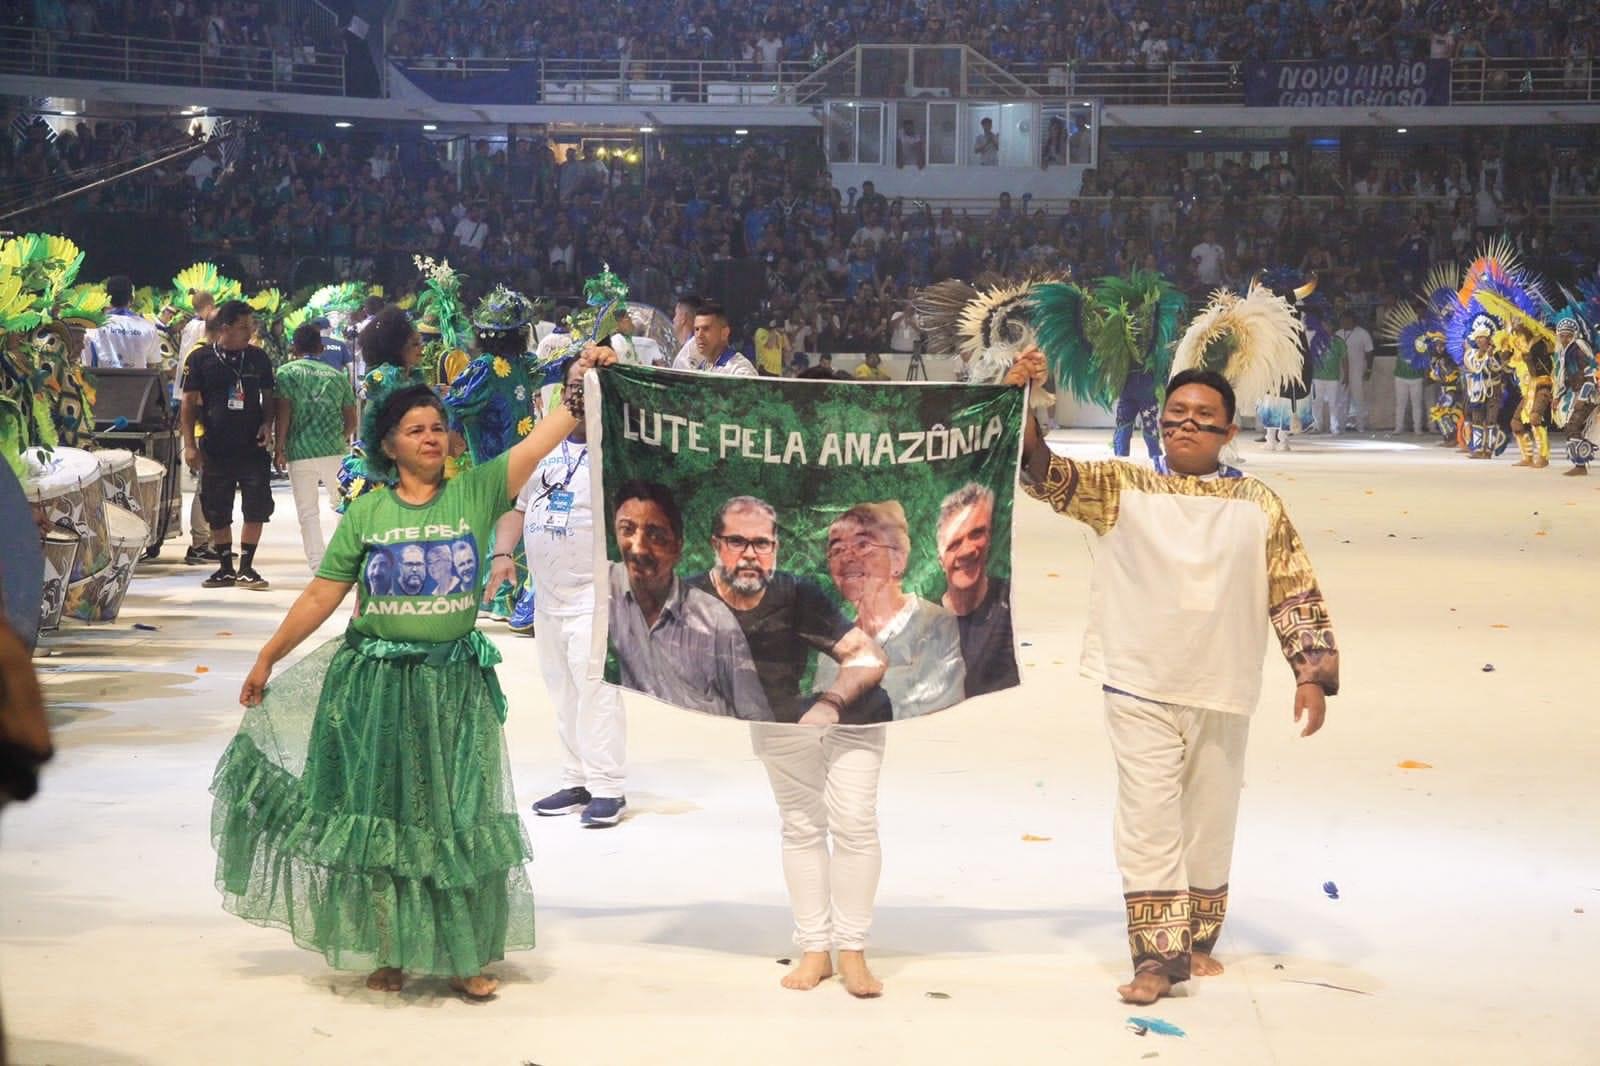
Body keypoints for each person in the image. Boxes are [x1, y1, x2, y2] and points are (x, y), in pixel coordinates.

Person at [211, 337, 616, 1001]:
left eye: (437, 427)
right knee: (385, 819)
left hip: (452, 686)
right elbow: (323, 594)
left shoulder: (481, 489)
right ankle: (390, 948)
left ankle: (462, 954)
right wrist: (267, 655)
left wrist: (581, 377)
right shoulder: (367, 513)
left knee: (454, 816)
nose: (430, 436)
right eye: (414, 429)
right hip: (375, 688)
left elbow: (547, 435)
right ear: (388, 445)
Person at [1013, 353, 1337, 1006]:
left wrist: (1311, 673)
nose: (1186, 426)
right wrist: (1022, 399)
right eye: (1176, 415)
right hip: (1137, 680)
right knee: (1149, 818)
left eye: (1203, 418)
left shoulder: (1257, 503)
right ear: (1158, 423)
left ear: (1228, 432)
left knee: (1209, 819)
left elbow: (1293, 587)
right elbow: (1043, 475)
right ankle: (1157, 959)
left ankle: (1197, 939)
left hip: (1223, 683)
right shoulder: (1120, 488)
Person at [487, 358, 629, 828]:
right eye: (570, 387)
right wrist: (502, 555)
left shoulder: (620, 453)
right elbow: (517, 507)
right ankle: (576, 778)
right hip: (547, 597)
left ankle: (608, 786)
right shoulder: (542, 451)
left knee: (596, 692)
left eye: (586, 387)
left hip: (595, 597)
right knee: (561, 691)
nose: (576, 397)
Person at [688, 496, 888, 725]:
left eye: (762, 543)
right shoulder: (687, 599)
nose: (750, 554)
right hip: (706, 726)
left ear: (775, 548)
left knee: (874, 701)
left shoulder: (797, 593)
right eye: (737, 542)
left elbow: (869, 657)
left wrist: (830, 704)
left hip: (781, 726)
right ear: (716, 545)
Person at [607, 481, 773, 720]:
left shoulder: (714, 618)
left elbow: (755, 714)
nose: (639, 548)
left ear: (678, 547)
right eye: (627, 529)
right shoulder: (602, 590)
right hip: (639, 744)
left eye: (656, 536)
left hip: (708, 747)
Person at [813, 502, 965, 718]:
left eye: (863, 545)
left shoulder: (937, 625)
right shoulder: (833, 646)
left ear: (898, 560)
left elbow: (942, 715)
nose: (846, 557)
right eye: (837, 550)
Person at [181, 299, 275, 592]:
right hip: (216, 446)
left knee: (256, 506)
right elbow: (188, 404)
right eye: (243, 327)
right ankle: (224, 568)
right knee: (216, 508)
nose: (250, 332)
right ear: (224, 328)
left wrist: (267, 424)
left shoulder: (258, 358)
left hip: (252, 446)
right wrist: (190, 445)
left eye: (251, 326)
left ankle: (247, 567)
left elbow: (269, 398)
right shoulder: (200, 360)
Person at [274, 323, 357, 571]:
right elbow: (352, 420)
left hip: (299, 451)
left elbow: (284, 413)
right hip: (334, 449)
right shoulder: (337, 376)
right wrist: (339, 437)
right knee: (342, 504)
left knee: (307, 512)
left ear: (294, 347)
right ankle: (344, 560)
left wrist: (279, 447)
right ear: (321, 348)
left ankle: (318, 566)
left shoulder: (286, 373)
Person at [936, 483, 1018, 698]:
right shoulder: (924, 626)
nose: (967, 551)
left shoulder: (1014, 605)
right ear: (939, 561)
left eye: (977, 534)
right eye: (954, 544)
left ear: (990, 538)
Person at [1554, 316, 1598, 476]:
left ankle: (1580, 466)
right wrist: (1558, 397)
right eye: (1562, 335)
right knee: (1572, 427)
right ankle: (1580, 463)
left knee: (1573, 426)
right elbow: (1566, 380)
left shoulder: (1578, 351)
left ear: (1574, 335)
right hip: (1576, 393)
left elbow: (1591, 377)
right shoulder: (1565, 353)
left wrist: (1582, 398)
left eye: (1568, 335)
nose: (1565, 339)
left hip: (1587, 395)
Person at [86, 275, 160, 369]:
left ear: (107, 297)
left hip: (100, 383)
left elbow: (87, 365)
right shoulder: (149, 328)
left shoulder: (93, 328)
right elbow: (152, 366)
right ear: (131, 299)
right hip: (138, 383)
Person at [1507, 324, 1554, 469]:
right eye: (1517, 333)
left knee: (1535, 418)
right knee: (1516, 423)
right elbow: (1510, 366)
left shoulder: (1541, 345)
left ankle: (1543, 457)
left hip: (1543, 386)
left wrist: (1527, 357)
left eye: (1520, 331)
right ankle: (1527, 457)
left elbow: (1536, 373)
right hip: (1529, 389)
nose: (1518, 335)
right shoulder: (1522, 346)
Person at [675, 300, 757, 375]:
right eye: (696, 329)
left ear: (724, 333)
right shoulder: (702, 366)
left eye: (706, 329)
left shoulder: (740, 371)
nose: (699, 335)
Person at [1463, 320, 1505, 459]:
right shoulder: (1471, 354)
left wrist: (1491, 356)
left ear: (1488, 339)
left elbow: (1499, 369)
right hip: (1477, 392)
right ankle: (1478, 449)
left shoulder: (1496, 352)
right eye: (1478, 338)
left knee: (1491, 420)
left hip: (1494, 390)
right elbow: (1474, 368)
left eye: (1483, 337)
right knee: (1477, 419)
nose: (1481, 340)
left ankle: (1488, 450)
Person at [1334, 310, 1373, 433]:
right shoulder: (1338, 334)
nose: (1344, 322)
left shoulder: (1363, 333)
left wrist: (1369, 369)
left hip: (1357, 371)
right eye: (1342, 320)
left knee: (1358, 398)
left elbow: (1369, 352)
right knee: (1341, 399)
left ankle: (1360, 426)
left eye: (1346, 320)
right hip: (1341, 372)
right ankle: (1341, 426)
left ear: (1353, 321)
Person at [1310, 331, 1346, 434]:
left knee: (1333, 402)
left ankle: (1334, 427)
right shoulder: (1316, 339)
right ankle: (1317, 426)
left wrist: (1346, 375)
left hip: (1333, 377)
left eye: (1329, 325)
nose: (1327, 328)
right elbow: (1311, 356)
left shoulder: (1339, 342)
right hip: (1317, 376)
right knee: (1317, 402)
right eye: (1324, 325)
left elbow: (1344, 359)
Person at [1392, 338, 1428, 435]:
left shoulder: (1422, 346)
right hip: (1400, 377)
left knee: (1416, 405)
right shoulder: (1401, 345)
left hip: (1416, 378)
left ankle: (1417, 428)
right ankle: (1398, 428)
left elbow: (1425, 362)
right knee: (1400, 404)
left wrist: (1426, 376)